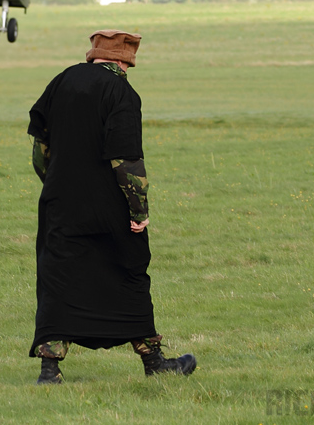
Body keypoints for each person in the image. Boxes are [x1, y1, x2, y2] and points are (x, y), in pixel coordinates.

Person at [27, 29, 196, 384]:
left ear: (95, 54)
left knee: (60, 279)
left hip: (60, 203)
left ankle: (50, 370)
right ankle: (153, 361)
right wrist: (138, 210)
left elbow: (40, 149)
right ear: (124, 60)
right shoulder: (121, 91)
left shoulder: (62, 81)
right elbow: (125, 160)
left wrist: (57, 186)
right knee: (129, 274)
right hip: (108, 207)